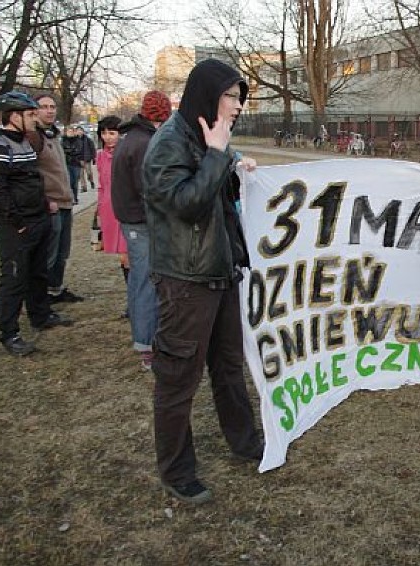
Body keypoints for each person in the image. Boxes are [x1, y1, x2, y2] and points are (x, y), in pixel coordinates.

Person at [142, 59, 263, 504]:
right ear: (206, 96)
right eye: (230, 97)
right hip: (186, 282)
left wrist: (232, 165)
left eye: (239, 98)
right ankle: (177, 471)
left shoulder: (209, 139)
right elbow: (186, 205)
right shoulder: (167, 144)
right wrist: (218, 157)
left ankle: (245, 441)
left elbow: (216, 195)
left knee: (228, 367)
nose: (236, 107)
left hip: (221, 272)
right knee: (177, 379)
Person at [0, 92, 72, 356]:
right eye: (31, 115)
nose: (35, 119)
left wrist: (44, 209)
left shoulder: (27, 143)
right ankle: (9, 333)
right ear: (13, 116)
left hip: (38, 218)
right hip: (16, 226)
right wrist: (18, 224)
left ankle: (40, 314)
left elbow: (33, 181)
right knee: (13, 278)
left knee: (37, 272)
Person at [111, 90, 171, 370]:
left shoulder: (132, 138)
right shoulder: (145, 143)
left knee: (140, 279)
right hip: (142, 223)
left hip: (134, 221)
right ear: (159, 118)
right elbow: (150, 191)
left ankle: (146, 338)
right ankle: (147, 344)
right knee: (146, 281)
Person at [30, 94, 84, 305]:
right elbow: (30, 174)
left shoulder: (53, 136)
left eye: (52, 106)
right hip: (49, 205)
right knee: (48, 255)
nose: (50, 110)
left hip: (64, 202)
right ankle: (41, 299)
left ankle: (55, 289)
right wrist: (44, 200)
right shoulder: (34, 137)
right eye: (44, 107)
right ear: (35, 111)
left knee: (62, 252)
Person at [95, 116, 128, 300]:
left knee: (128, 256)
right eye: (104, 133)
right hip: (109, 210)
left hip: (125, 208)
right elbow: (101, 184)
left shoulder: (125, 153)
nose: (108, 137)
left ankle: (135, 301)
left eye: (112, 133)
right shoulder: (100, 156)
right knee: (122, 258)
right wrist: (100, 208)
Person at [60, 126, 84, 205]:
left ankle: (75, 197)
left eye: (72, 131)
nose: (70, 133)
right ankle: (71, 198)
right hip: (66, 163)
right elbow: (62, 150)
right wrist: (70, 150)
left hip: (76, 163)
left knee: (75, 183)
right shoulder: (63, 140)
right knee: (69, 182)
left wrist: (69, 150)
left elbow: (78, 150)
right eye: (69, 131)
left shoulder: (78, 140)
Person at [77, 126, 96, 192]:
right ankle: (83, 187)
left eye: (80, 130)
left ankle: (91, 181)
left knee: (89, 173)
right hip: (79, 160)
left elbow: (92, 149)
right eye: (78, 130)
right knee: (81, 174)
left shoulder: (88, 139)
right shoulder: (75, 140)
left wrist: (94, 158)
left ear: (83, 131)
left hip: (87, 159)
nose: (79, 132)